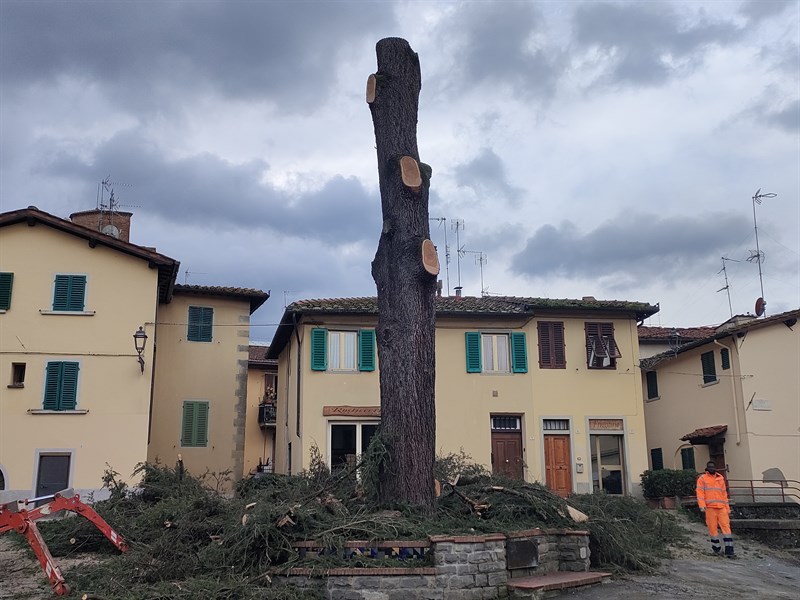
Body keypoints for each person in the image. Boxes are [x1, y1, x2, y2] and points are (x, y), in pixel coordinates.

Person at [696, 461, 735, 557]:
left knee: (726, 527)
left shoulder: (720, 478)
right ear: (707, 468)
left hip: (721, 508)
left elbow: (724, 494)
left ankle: (729, 551)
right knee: (712, 529)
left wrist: (727, 508)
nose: (712, 468)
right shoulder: (702, 479)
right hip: (710, 508)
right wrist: (702, 505)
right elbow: (700, 493)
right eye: (710, 467)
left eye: (713, 467)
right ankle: (716, 550)